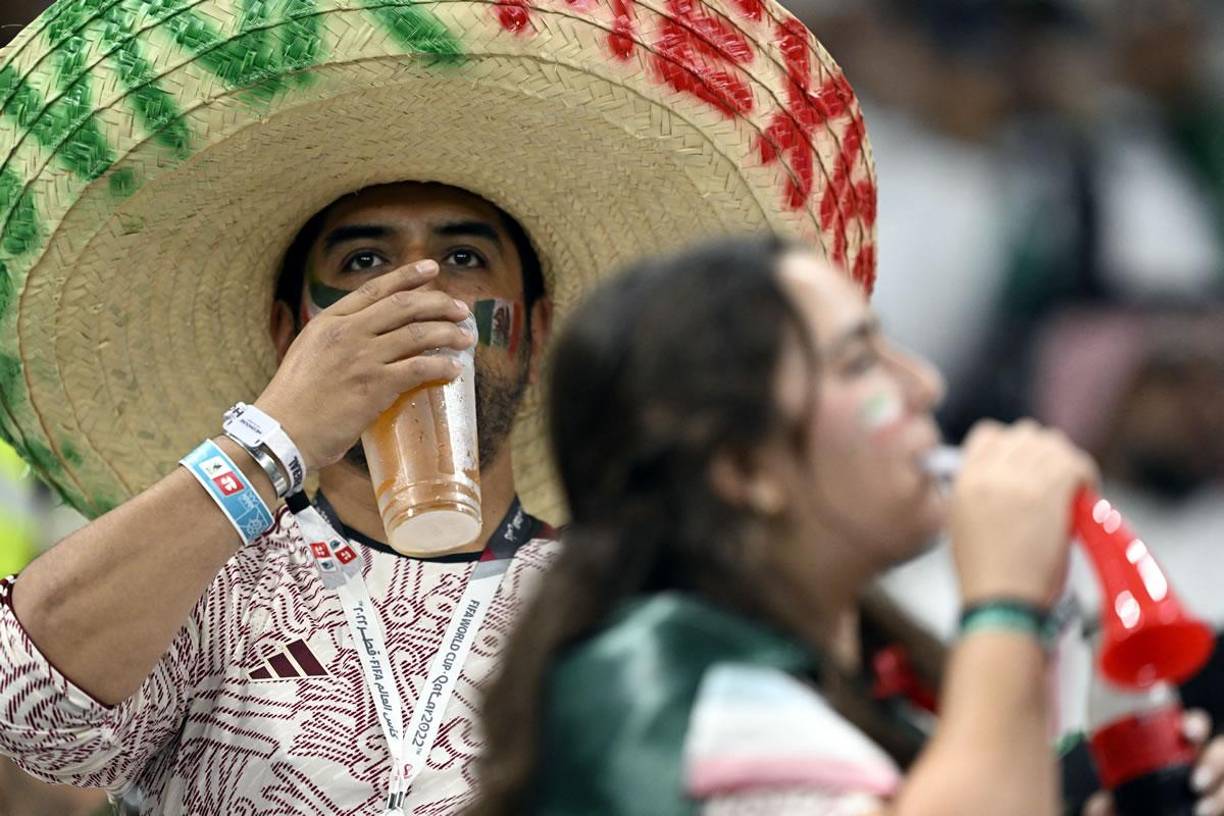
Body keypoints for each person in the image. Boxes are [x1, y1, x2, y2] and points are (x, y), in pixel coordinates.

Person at [0, 0, 879, 812]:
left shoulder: (625, 611)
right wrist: (277, 439)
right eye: (362, 265)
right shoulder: (202, 578)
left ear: (533, 334)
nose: (418, 295)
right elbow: (27, 707)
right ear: (287, 333)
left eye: (463, 261)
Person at [473, 235, 1224, 815]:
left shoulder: (858, 683)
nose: (924, 384)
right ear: (744, 468)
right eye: (860, 362)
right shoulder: (651, 681)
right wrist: (1005, 601)